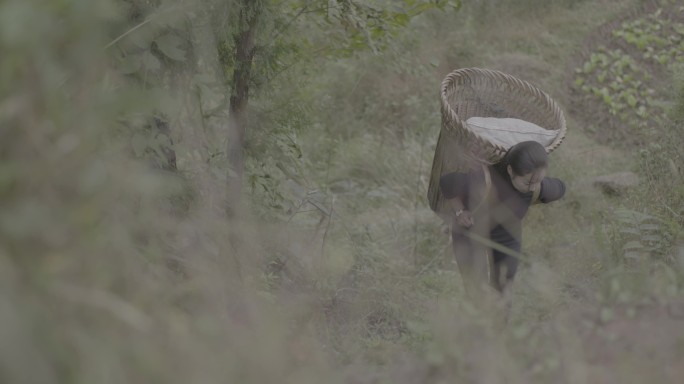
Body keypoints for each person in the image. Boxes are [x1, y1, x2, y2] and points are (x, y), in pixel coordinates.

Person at [439, 141, 566, 293]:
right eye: (527, 182)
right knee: (475, 290)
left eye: (537, 181)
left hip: (506, 232)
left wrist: (545, 189)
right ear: (511, 170)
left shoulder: (536, 185)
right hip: (470, 228)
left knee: (503, 290)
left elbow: (560, 187)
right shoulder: (482, 179)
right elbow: (446, 183)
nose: (532, 187)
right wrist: (459, 212)